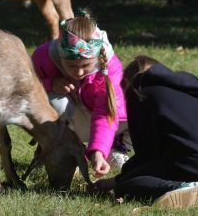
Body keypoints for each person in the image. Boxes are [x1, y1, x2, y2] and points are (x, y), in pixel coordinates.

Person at [95, 55, 198, 209]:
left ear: (128, 82)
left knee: (126, 186)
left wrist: (118, 181)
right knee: (197, 153)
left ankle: (184, 187)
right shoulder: (185, 89)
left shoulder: (139, 94)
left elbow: (147, 155)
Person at [31, 9, 130, 177]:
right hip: (70, 116)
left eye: (86, 66)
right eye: (71, 66)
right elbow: (26, 86)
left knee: (136, 108)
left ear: (98, 58)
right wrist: (49, 84)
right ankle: (57, 150)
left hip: (106, 121)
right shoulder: (44, 56)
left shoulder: (108, 70)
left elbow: (105, 113)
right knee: (55, 102)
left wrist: (97, 151)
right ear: (60, 56)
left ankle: (114, 148)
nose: (78, 72)